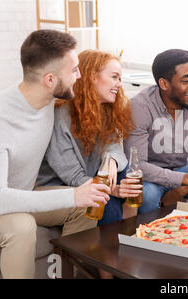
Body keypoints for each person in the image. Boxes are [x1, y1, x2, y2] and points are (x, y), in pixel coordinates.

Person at [0, 30, 111, 279]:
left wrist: (111, 158)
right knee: (21, 226)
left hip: (23, 192)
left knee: (88, 203)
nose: (79, 75)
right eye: (74, 70)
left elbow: (106, 114)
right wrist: (73, 194)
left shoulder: (51, 99)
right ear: (50, 80)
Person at [36, 49, 141, 227]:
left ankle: (129, 237)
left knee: (126, 175)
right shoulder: (59, 115)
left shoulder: (106, 109)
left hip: (93, 180)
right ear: (92, 77)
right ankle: (111, 247)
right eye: (114, 77)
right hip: (63, 186)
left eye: (120, 79)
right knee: (107, 203)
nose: (119, 84)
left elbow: (115, 145)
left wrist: (111, 160)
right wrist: (112, 190)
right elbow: (73, 176)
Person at [123, 49, 188, 214]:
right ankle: (150, 237)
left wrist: (185, 186)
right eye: (186, 80)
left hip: (183, 168)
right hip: (151, 177)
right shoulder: (140, 107)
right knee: (147, 195)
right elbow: (138, 166)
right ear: (164, 84)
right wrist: (187, 179)